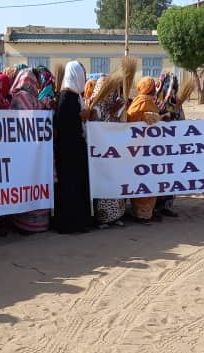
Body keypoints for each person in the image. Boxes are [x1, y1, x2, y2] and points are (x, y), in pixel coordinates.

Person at [9, 68, 52, 233]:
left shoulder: (27, 97)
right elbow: (31, 120)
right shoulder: (22, 97)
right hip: (27, 151)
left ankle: (32, 224)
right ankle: (28, 224)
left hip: (33, 150)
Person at [52, 61, 93, 234]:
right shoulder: (66, 97)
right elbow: (63, 124)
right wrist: (80, 117)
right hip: (69, 151)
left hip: (75, 149)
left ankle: (79, 222)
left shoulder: (74, 96)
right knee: (70, 186)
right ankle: (70, 224)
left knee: (77, 185)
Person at [87, 76, 129, 227]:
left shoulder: (115, 103)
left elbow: (121, 125)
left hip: (115, 153)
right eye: (109, 89)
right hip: (101, 154)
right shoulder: (95, 107)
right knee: (104, 184)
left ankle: (116, 216)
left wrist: (119, 110)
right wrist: (112, 113)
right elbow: (96, 130)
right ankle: (102, 218)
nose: (111, 93)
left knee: (115, 183)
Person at [127, 77, 161, 223]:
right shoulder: (146, 102)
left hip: (140, 148)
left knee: (141, 179)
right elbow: (149, 120)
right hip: (145, 149)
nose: (154, 89)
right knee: (147, 180)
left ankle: (140, 212)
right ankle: (144, 214)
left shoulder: (136, 101)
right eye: (153, 87)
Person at [154, 72, 184, 218]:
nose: (172, 88)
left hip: (172, 147)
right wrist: (162, 118)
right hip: (156, 148)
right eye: (169, 85)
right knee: (157, 175)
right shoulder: (154, 101)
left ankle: (167, 205)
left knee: (171, 175)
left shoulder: (177, 104)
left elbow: (182, 123)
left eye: (174, 85)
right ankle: (154, 205)